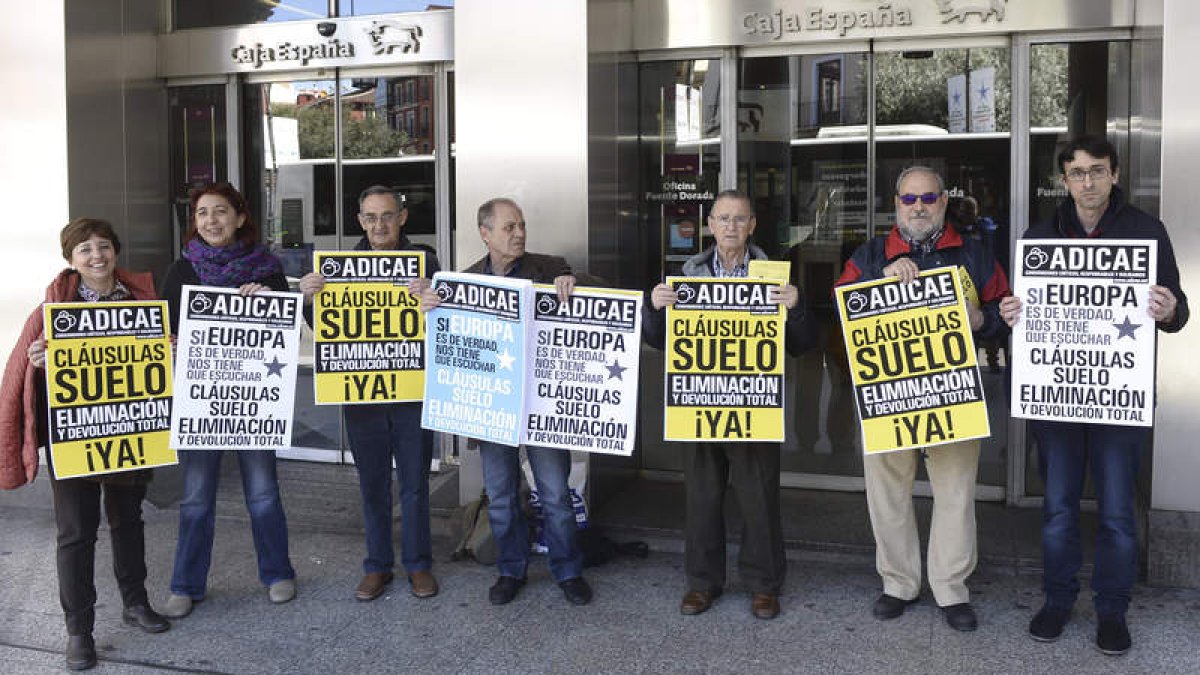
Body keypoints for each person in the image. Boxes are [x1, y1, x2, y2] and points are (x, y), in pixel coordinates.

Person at [999, 136, 1188, 655]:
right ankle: (1058, 600)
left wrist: (1169, 308)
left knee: (1117, 512)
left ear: (1115, 174)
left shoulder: (1147, 233)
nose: (1087, 182)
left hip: (1117, 400)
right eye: (1077, 173)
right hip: (1057, 400)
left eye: (1097, 171)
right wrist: (1010, 316)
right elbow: (1024, 317)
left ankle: (1112, 610)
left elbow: (1178, 314)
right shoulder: (1039, 236)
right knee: (1058, 508)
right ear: (1064, 180)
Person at [835, 166, 1010, 632]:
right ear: (896, 202)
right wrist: (877, 282)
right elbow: (843, 309)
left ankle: (951, 589)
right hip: (890, 395)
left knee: (955, 493)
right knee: (887, 492)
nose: (919, 206)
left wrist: (982, 321)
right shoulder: (871, 254)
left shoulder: (974, 254)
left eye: (928, 198)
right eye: (910, 198)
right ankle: (898, 583)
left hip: (952, 395)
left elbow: (1006, 310)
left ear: (944, 202)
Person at [0, 218, 170, 670]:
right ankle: (80, 630)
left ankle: (135, 603)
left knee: (128, 520)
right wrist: (39, 360)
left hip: (130, 429)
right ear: (71, 259)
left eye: (103, 247)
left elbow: (161, 366)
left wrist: (168, 347)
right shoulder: (53, 307)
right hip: (74, 435)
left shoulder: (144, 301)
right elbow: (22, 371)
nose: (96, 256)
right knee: (76, 532)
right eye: (85, 250)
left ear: (116, 250)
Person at [642, 189, 818, 620]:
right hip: (699, 404)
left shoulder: (776, 277)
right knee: (701, 499)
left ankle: (764, 585)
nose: (731, 227)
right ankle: (702, 584)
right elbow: (659, 341)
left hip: (752, 405)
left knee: (758, 499)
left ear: (753, 225)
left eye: (740, 219)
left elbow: (803, 344)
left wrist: (796, 309)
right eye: (722, 219)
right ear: (709, 226)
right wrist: (654, 309)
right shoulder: (685, 274)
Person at [420, 197, 592, 607]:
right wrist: (430, 308)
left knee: (554, 492)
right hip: (491, 408)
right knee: (499, 495)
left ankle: (568, 571)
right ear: (485, 234)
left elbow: (593, 285)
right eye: (508, 227)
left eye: (521, 225)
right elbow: (447, 341)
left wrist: (575, 282)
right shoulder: (461, 282)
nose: (518, 233)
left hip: (539, 404)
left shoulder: (550, 267)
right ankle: (510, 569)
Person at [298, 186, 440, 602]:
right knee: (372, 482)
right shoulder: (337, 269)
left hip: (412, 390)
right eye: (371, 217)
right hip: (362, 394)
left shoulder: (425, 261)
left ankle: (418, 565)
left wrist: (433, 295)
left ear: (402, 218)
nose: (380, 225)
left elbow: (443, 315)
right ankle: (377, 566)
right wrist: (310, 298)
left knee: (414, 483)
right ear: (360, 221)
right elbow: (321, 325)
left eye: (387, 216)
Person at [161, 182, 296, 618]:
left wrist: (273, 301)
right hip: (201, 401)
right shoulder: (181, 272)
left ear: (240, 218)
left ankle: (277, 573)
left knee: (263, 493)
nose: (211, 221)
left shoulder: (268, 269)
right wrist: (173, 343)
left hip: (252, 403)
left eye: (220, 212)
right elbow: (163, 334)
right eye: (202, 213)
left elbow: (288, 329)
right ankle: (186, 584)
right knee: (196, 497)